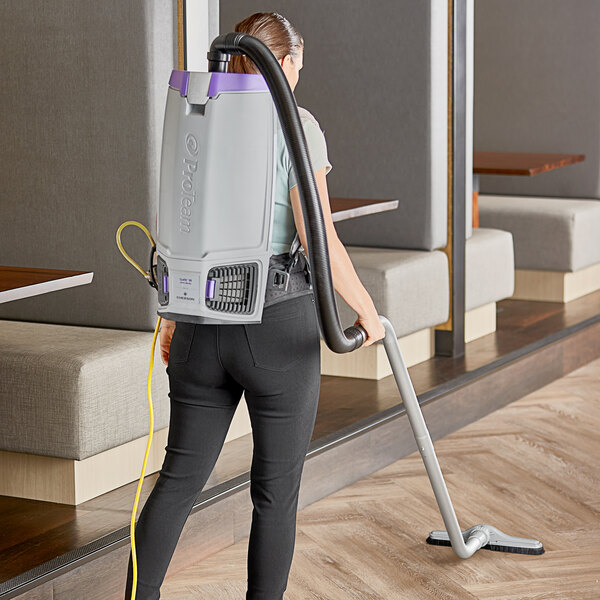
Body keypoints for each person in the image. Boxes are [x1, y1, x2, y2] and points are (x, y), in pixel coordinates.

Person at [125, 11, 385, 600]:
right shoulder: (298, 124)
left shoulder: (199, 116)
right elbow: (319, 238)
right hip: (276, 327)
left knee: (175, 482)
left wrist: (170, 314)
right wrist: (367, 312)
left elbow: (181, 222)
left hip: (198, 320)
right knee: (275, 492)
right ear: (283, 62)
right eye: (297, 62)